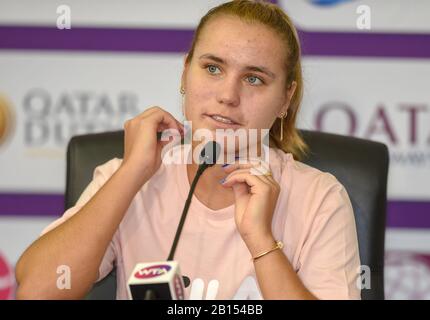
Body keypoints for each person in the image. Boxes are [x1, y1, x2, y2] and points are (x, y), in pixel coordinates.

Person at [15, 0, 361, 300]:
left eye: (254, 78)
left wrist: (261, 241)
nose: (228, 95)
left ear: (285, 98)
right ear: (185, 74)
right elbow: (37, 290)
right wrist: (131, 175)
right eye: (212, 68)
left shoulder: (319, 199)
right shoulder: (130, 177)